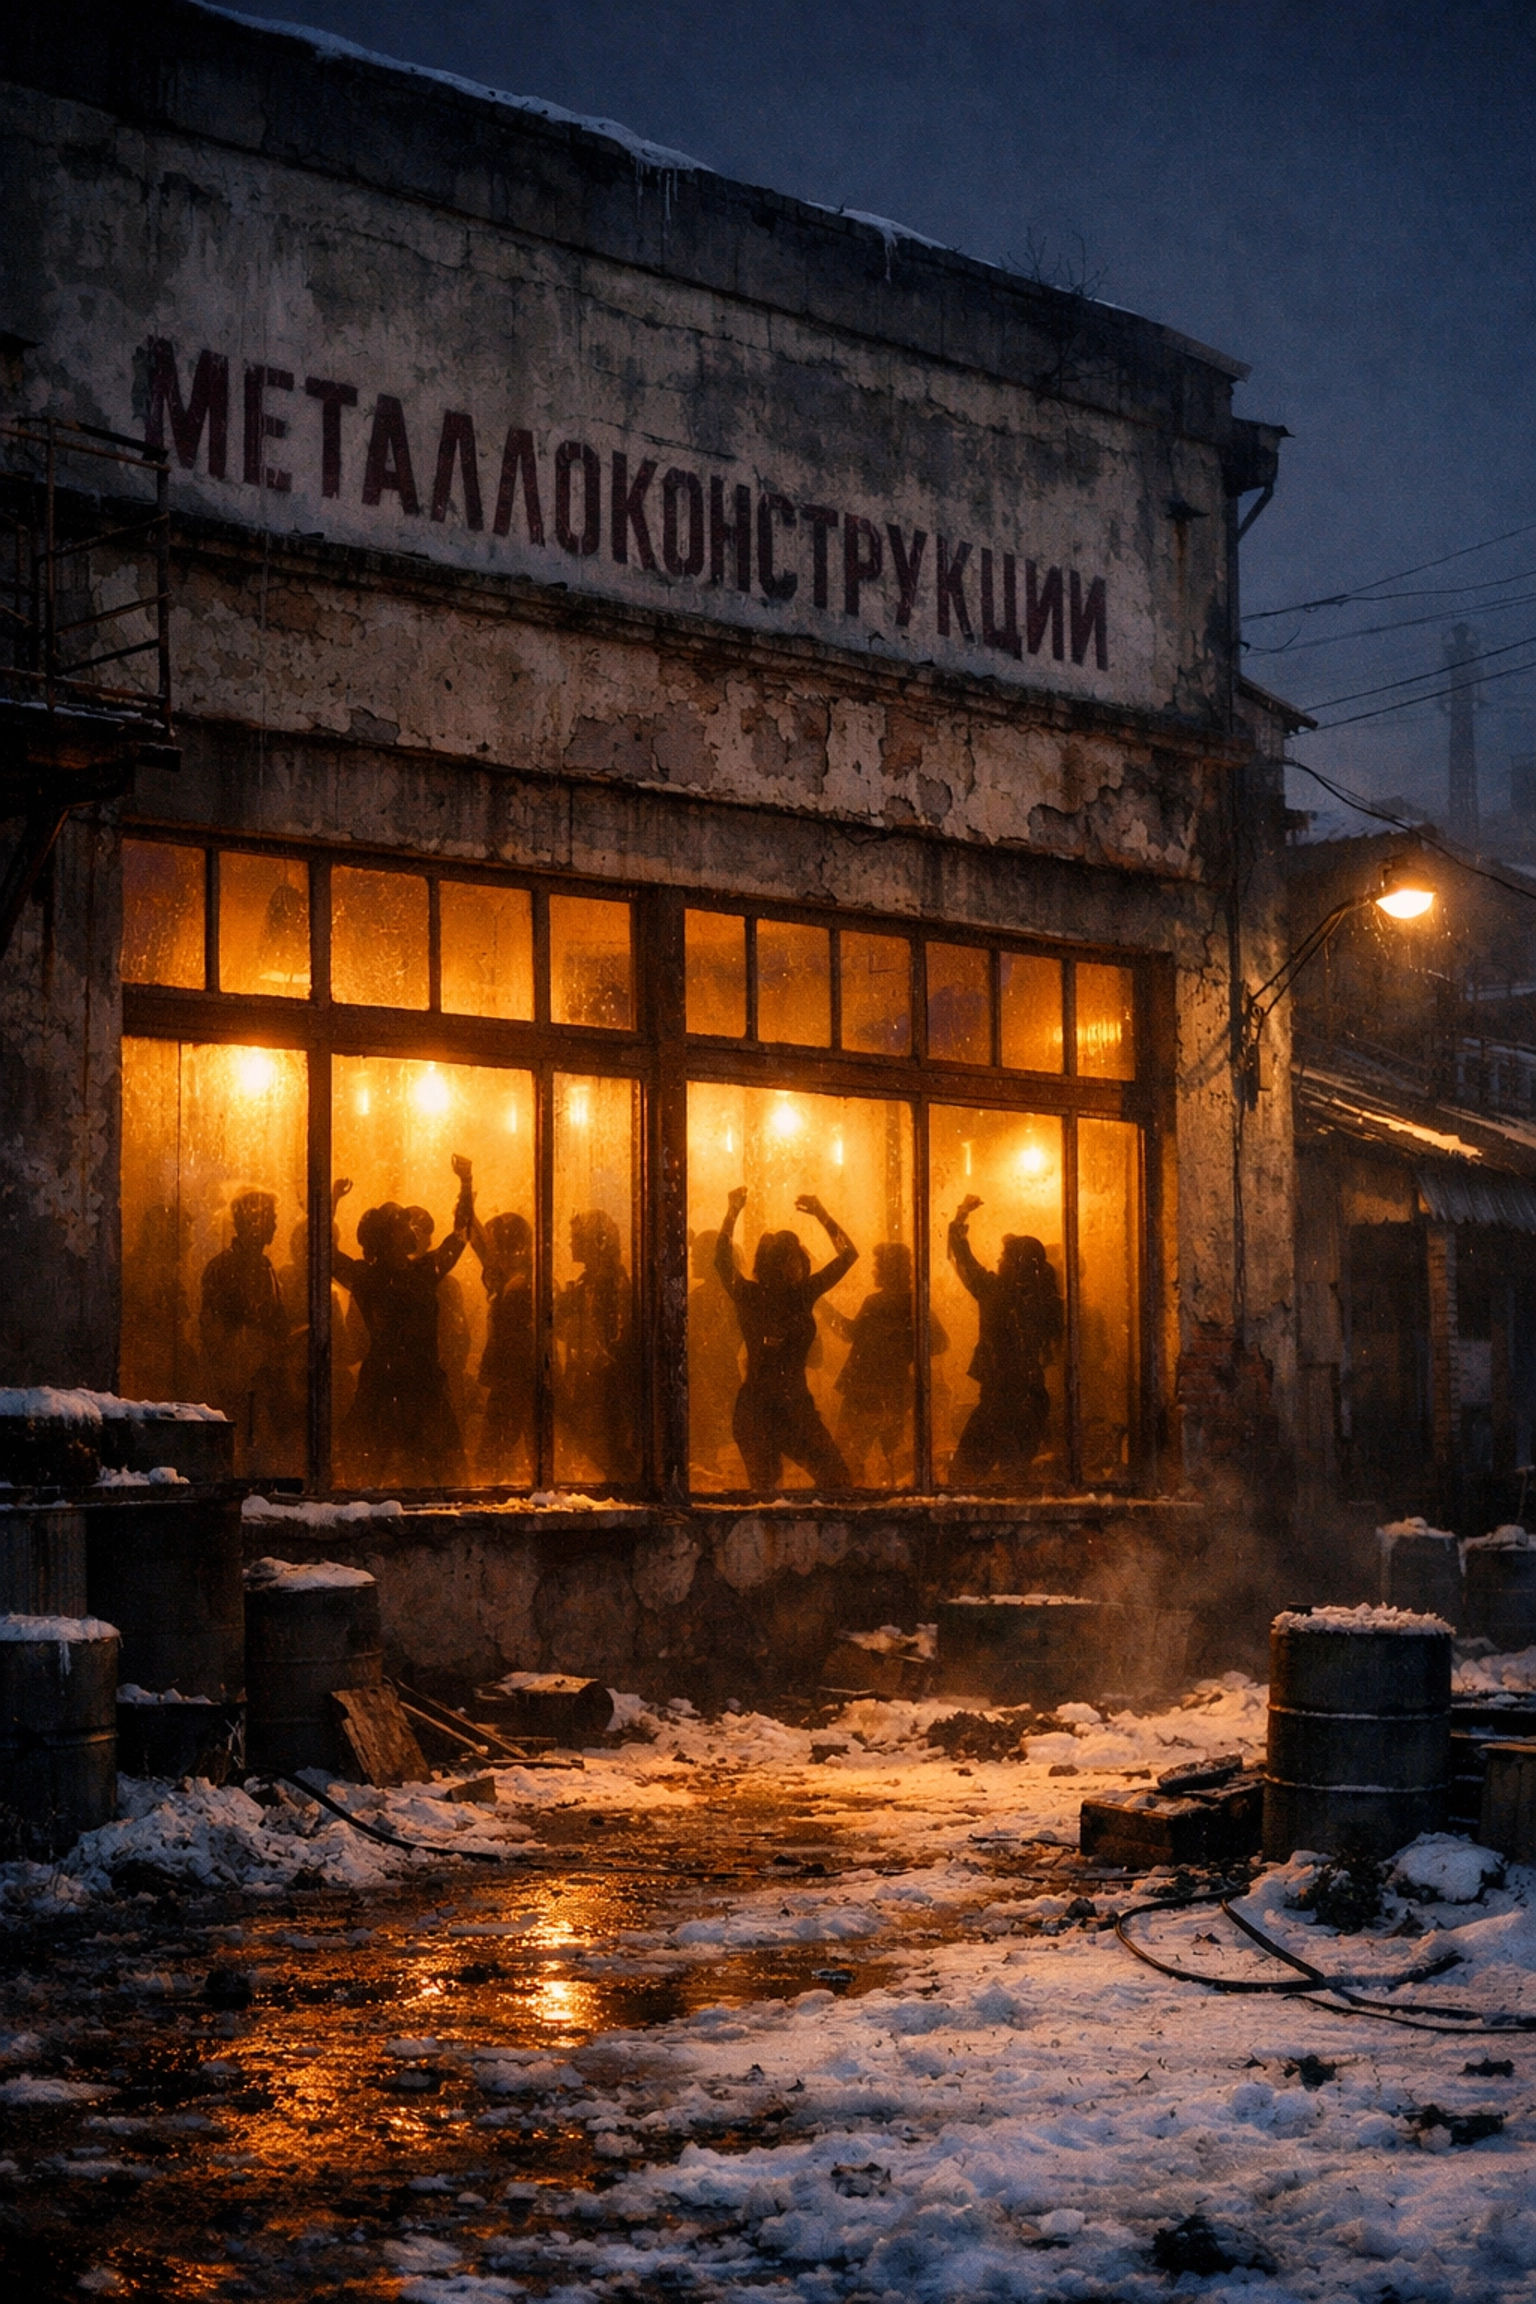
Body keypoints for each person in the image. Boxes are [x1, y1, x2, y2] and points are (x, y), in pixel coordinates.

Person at [332, 1155, 475, 1487]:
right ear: (385, 1237)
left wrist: (466, 1184)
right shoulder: (401, 1276)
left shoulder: (413, 1274)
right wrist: (332, 1202)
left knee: (432, 1476)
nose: (410, 1228)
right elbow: (323, 1250)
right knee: (368, 1478)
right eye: (401, 1225)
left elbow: (460, 1235)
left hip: (404, 1386)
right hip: (401, 1388)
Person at [715, 1188, 857, 1492]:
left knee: (778, 1491)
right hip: (774, 1408)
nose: (803, 1264)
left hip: (774, 1407)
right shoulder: (791, 1296)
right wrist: (821, 1214)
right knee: (823, 1482)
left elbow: (849, 1256)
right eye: (796, 1258)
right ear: (780, 1264)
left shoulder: (777, 1295)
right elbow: (848, 1255)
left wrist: (733, 1212)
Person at [946, 1194, 1062, 1486]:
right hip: (1033, 1401)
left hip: (998, 1402)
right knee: (1016, 1478)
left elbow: (961, 1256)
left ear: (1013, 1265)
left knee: (962, 1478)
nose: (998, 1261)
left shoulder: (994, 1292)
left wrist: (960, 1217)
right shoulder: (1049, 1301)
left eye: (1003, 1257)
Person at [824, 1240, 946, 1486]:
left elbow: (849, 1333)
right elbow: (941, 1342)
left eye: (877, 1265)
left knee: (845, 1456)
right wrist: (905, 1347)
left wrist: (822, 1307)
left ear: (886, 1269)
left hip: (862, 1391)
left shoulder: (876, 1303)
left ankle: (851, 1502)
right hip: (896, 1391)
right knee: (893, 1459)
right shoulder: (915, 1304)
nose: (873, 1271)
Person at [199, 1188, 293, 1470]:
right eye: (271, 1218)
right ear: (254, 1221)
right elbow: (213, 1333)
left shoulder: (265, 1266)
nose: (276, 1224)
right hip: (238, 1383)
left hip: (264, 1380)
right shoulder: (223, 1268)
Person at [553, 1208, 637, 1480]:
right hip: (591, 1382)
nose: (570, 1243)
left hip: (603, 1385)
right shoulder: (592, 1280)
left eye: (577, 1237)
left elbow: (615, 1340)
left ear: (596, 1240)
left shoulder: (611, 1282)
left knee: (606, 1451)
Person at [470, 1209, 536, 1479]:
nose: (491, 1254)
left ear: (510, 1249)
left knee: (491, 1456)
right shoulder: (515, 1280)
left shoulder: (519, 1287)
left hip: (515, 1382)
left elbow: (517, 1343)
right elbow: (481, 1246)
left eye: (496, 1245)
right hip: (516, 1381)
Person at [687, 1226, 741, 1480]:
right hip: (715, 1384)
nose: (692, 1259)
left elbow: (721, 1344)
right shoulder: (726, 1297)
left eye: (698, 1254)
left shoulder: (717, 1299)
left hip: (714, 1386)